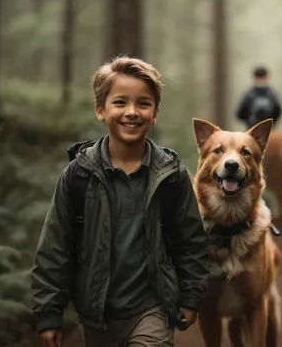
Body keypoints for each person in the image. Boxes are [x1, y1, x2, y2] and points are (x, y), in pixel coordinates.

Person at [30, 56, 210, 347]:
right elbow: (55, 247)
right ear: (100, 110)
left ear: (155, 113)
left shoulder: (171, 175)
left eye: (143, 103)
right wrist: (48, 313)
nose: (132, 112)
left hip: (154, 309)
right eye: (120, 102)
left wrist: (190, 296)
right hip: (97, 315)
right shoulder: (78, 176)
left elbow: (191, 242)